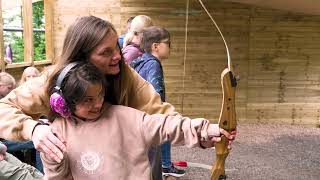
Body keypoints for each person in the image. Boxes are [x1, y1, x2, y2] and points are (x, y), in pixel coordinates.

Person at [0, 16, 236, 176]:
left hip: (127, 159)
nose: (118, 56)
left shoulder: (126, 75)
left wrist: (204, 134)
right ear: (82, 58)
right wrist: (34, 130)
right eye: (106, 52)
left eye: (116, 46)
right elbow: (4, 108)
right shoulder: (53, 81)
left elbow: (162, 117)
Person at [41, 61, 235, 180]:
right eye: (88, 100)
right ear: (63, 103)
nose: (98, 103)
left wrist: (205, 131)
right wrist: (53, 161)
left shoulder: (125, 117)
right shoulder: (57, 133)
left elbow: (165, 126)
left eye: (100, 95)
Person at [131, 26, 186, 177]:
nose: (170, 47)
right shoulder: (153, 64)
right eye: (168, 43)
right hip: (149, 122)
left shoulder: (140, 61)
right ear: (156, 46)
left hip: (138, 120)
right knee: (153, 167)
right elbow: (155, 96)